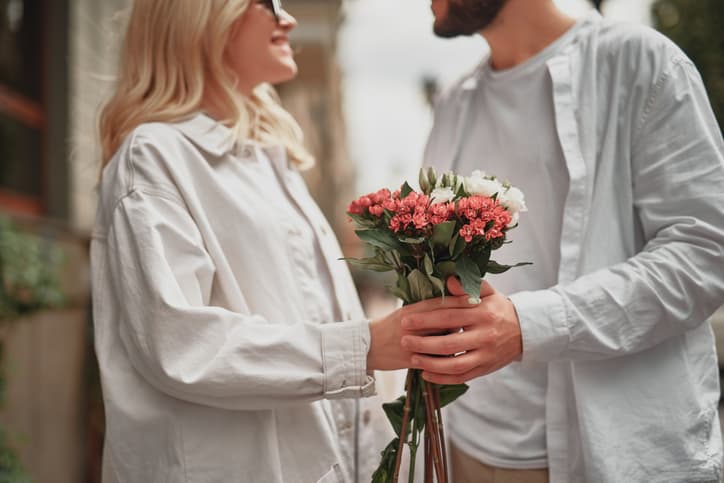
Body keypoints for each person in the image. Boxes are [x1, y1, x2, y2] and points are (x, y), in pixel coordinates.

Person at [91, 1, 477, 481]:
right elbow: (178, 344)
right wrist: (363, 347)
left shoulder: (269, 156)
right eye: (267, 3)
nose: (288, 18)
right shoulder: (154, 156)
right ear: (201, 16)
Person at [398, 0, 724, 482]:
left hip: (609, 454)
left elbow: (705, 253)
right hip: (464, 447)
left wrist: (529, 326)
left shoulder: (640, 63)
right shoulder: (452, 105)